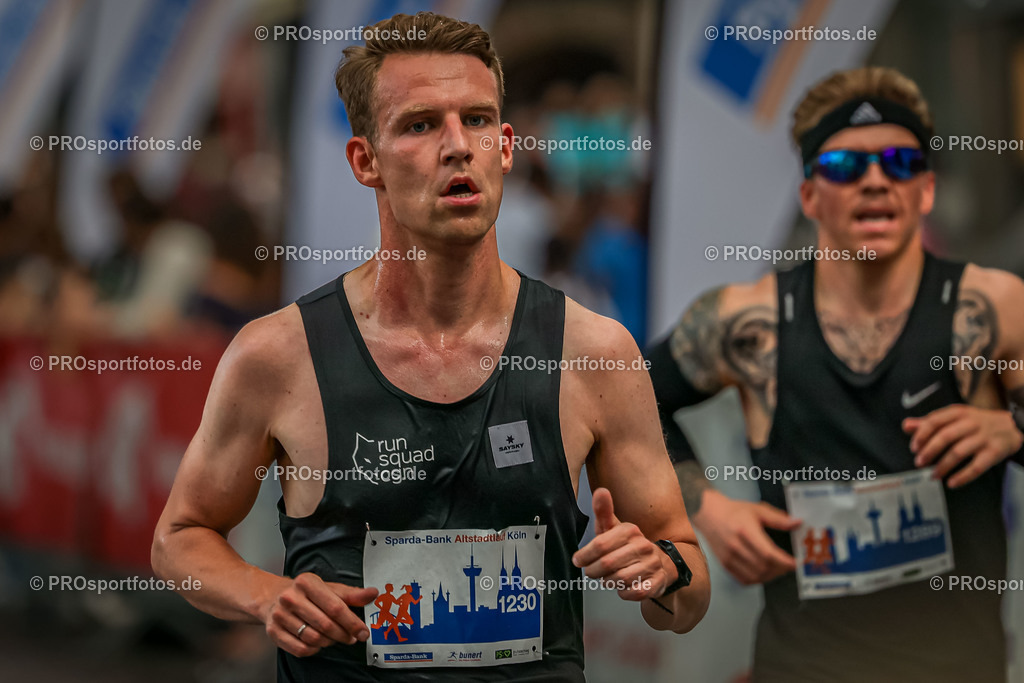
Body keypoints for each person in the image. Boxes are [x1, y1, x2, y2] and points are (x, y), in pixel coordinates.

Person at [152, 12, 709, 682]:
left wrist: (664, 571)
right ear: (366, 160)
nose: (458, 146)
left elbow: (686, 587)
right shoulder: (278, 355)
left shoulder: (593, 352)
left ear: (506, 146)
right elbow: (180, 538)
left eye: (476, 121)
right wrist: (267, 593)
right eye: (420, 125)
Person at [646, 66, 1024, 682]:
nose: (875, 181)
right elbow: (627, 399)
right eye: (847, 168)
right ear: (810, 196)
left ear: (925, 189)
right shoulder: (748, 320)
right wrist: (707, 507)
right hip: (801, 667)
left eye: (899, 163)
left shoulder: (991, 308)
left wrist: (1011, 428)